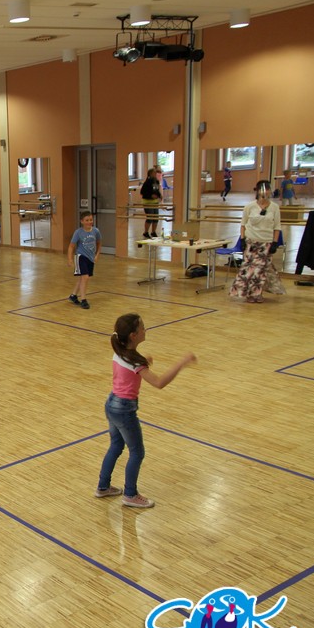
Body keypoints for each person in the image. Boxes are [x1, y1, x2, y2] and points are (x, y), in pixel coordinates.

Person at [95, 313, 197, 509]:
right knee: (137, 452)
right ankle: (130, 495)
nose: (145, 330)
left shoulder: (120, 351)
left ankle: (103, 487)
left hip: (111, 404)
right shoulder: (135, 362)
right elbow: (159, 382)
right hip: (124, 410)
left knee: (116, 446)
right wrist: (181, 363)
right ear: (133, 335)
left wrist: (144, 362)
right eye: (142, 327)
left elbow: (129, 370)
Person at [229, 180, 286, 303]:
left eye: (267, 189)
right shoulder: (249, 207)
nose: (265, 192)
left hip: (266, 243)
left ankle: (257, 294)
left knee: (260, 271)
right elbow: (243, 224)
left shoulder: (274, 207)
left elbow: (277, 226)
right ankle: (246, 293)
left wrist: (275, 242)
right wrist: (242, 239)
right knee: (248, 270)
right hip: (251, 242)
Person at [67, 211, 101, 309]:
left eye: (90, 220)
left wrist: (97, 255)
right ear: (82, 221)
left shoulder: (96, 231)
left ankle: (73, 295)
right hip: (81, 257)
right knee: (85, 277)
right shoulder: (78, 232)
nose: (89, 222)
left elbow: (99, 243)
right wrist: (70, 259)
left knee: (82, 278)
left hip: (91, 258)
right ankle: (83, 300)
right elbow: (71, 246)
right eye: (87, 220)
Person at [140, 169, 162, 238]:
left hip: (155, 202)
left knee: (156, 218)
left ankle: (153, 232)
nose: (155, 173)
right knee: (150, 218)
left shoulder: (155, 181)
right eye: (154, 172)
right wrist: (150, 196)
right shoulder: (147, 182)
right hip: (148, 202)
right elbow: (142, 192)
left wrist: (159, 195)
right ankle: (146, 232)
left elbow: (156, 190)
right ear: (150, 174)